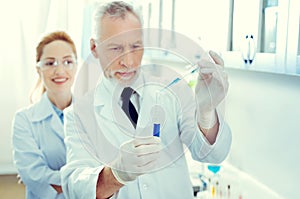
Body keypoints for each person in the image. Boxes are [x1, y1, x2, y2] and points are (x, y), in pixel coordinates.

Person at [61, 1, 232, 199]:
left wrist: (207, 112)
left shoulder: (173, 91)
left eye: (136, 46)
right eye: (115, 48)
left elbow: (212, 155)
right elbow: (75, 188)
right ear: (94, 47)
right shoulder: (78, 114)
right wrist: (116, 174)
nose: (129, 61)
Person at [12, 31, 78, 199]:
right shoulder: (24, 120)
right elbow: (36, 177)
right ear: (38, 69)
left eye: (67, 62)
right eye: (50, 63)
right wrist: (90, 179)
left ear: (76, 66)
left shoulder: (93, 114)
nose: (60, 70)